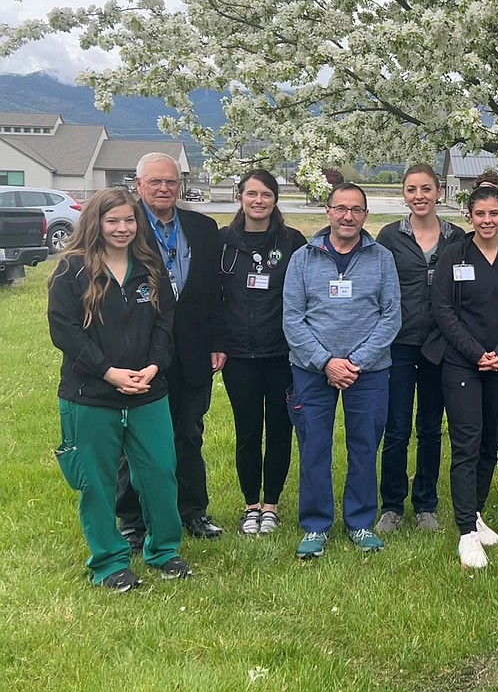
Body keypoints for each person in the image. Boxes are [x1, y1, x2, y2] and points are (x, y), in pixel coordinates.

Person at [48, 187, 190, 590]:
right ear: (96, 222)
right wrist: (108, 372)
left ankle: (163, 550)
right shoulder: (72, 269)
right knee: (97, 481)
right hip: (90, 395)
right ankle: (109, 562)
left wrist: (153, 366)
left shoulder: (151, 266)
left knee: (161, 472)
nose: (123, 228)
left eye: (129, 220)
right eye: (113, 221)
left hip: (148, 391)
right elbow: (65, 331)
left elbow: (165, 324)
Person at [283, 183, 402, 559]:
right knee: (314, 447)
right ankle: (316, 526)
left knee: (365, 446)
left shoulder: (381, 257)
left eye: (356, 210)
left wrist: (356, 361)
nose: (347, 216)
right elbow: (292, 319)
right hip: (312, 369)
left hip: (367, 371)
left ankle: (360, 522)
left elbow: (391, 316)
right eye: (341, 208)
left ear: (365, 215)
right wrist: (326, 362)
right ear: (328, 211)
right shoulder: (303, 258)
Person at [118, 153, 224, 547]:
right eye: (155, 182)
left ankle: (192, 511)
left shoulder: (203, 227)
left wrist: (218, 342)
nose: (164, 189)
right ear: (139, 184)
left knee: (189, 433)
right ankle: (132, 520)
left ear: (181, 185)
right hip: (140, 350)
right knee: (135, 437)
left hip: (194, 350)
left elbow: (216, 293)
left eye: (171, 182)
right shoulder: (125, 226)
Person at [426, 185, 498, 568]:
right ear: (469, 216)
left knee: (490, 444)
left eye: (494, 214)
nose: (487, 221)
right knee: (467, 444)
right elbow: (442, 310)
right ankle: (465, 533)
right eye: (480, 214)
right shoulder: (454, 255)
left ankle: (475, 513)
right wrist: (476, 353)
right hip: (461, 365)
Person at [214, 170, 308, 536]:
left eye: (266, 194)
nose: (258, 201)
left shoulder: (292, 242)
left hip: (282, 353)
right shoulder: (222, 242)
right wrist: (217, 343)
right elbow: (213, 299)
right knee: (248, 430)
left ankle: (271, 505)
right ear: (240, 197)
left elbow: (305, 295)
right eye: (251, 194)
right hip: (237, 354)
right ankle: (250, 504)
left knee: (280, 429)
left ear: (275, 199)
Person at [374, 164, 465, 534]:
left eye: (426, 189)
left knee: (430, 428)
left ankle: (426, 504)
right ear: (404, 194)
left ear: (439, 191)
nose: (419, 196)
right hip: (397, 344)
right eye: (412, 189)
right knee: (395, 428)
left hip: (440, 346)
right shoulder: (389, 237)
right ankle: (392, 506)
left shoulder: (457, 238)